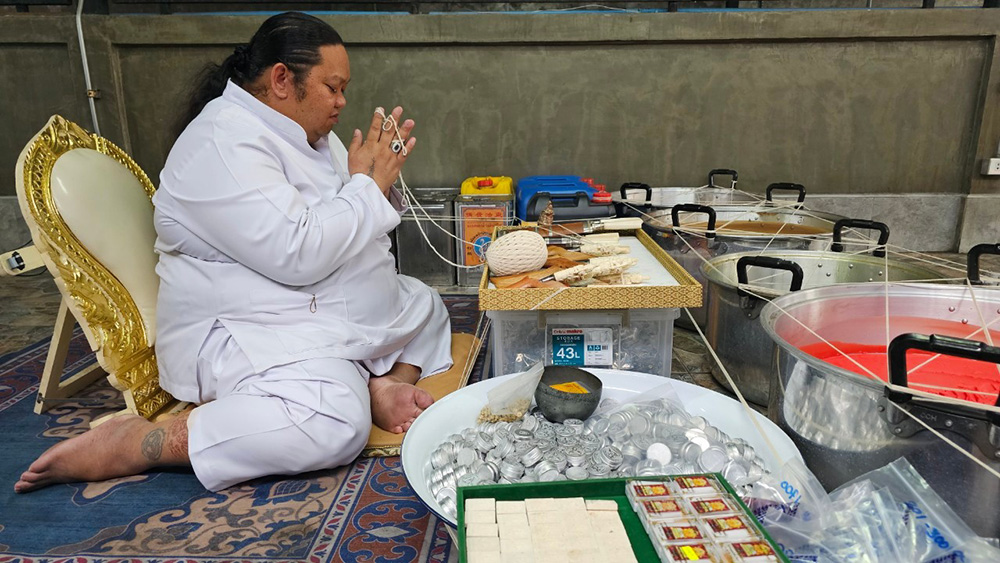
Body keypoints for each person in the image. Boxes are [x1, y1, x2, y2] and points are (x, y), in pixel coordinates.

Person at [14, 12, 452, 494]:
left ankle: (378, 384)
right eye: (333, 87)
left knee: (425, 303)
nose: (342, 101)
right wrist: (368, 187)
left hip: (309, 305)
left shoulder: (308, 136)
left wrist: (369, 183)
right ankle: (141, 442)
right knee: (332, 422)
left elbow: (339, 218)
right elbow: (298, 251)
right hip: (248, 327)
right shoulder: (222, 141)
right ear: (281, 79)